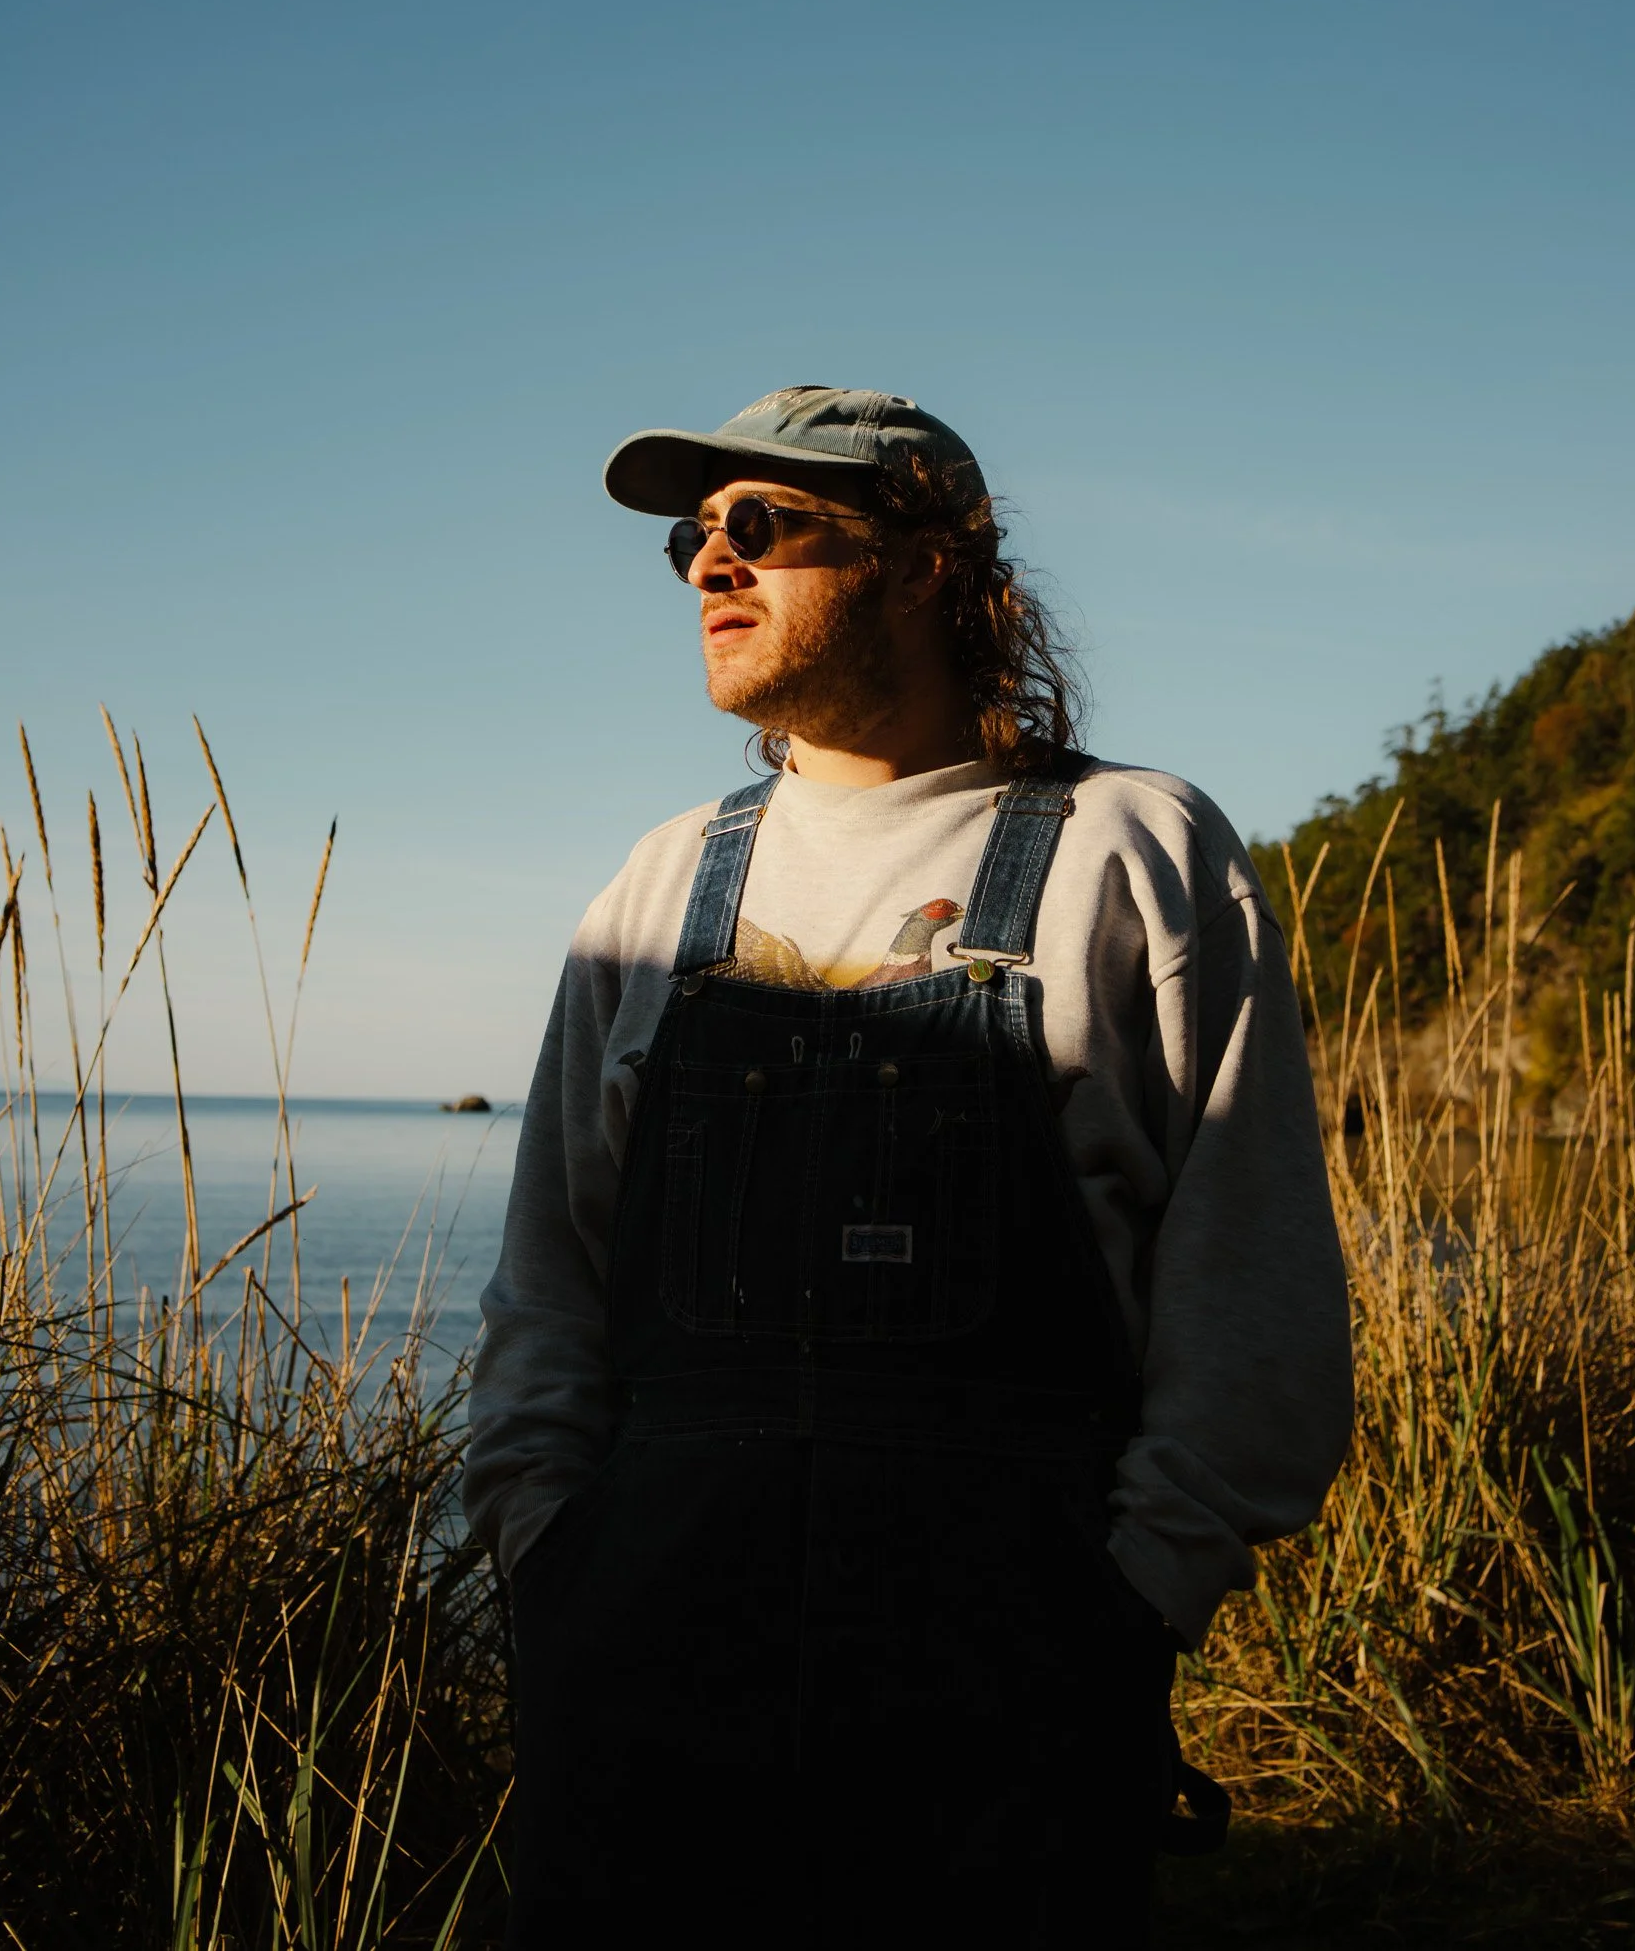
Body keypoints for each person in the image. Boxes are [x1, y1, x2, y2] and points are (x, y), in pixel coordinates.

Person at [465, 385, 1353, 1949]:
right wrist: (547, 1557)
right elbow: (551, 1272)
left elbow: (1250, 1282)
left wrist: (1131, 1603)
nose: (705, 567)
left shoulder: (1132, 847)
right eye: (690, 537)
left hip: (1007, 1684)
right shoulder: (662, 879)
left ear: (932, 562)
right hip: (640, 1664)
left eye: (762, 526)